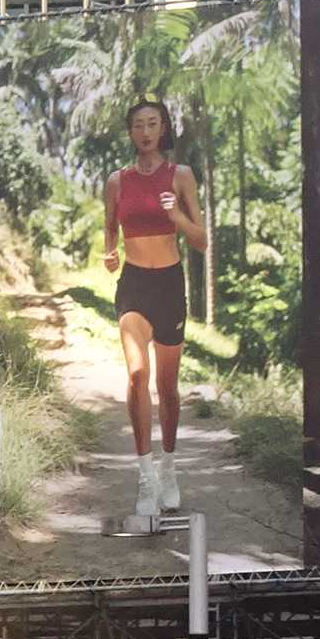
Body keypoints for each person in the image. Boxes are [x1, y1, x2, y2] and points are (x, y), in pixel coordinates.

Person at [101, 98, 210, 519]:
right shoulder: (117, 180)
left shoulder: (180, 175)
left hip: (169, 285)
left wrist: (177, 217)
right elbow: (111, 225)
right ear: (130, 132)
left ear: (163, 129)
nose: (146, 132)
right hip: (133, 286)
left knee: (167, 388)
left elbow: (200, 239)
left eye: (153, 124)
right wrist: (110, 253)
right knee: (136, 374)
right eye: (138, 126)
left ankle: (169, 467)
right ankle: (145, 476)